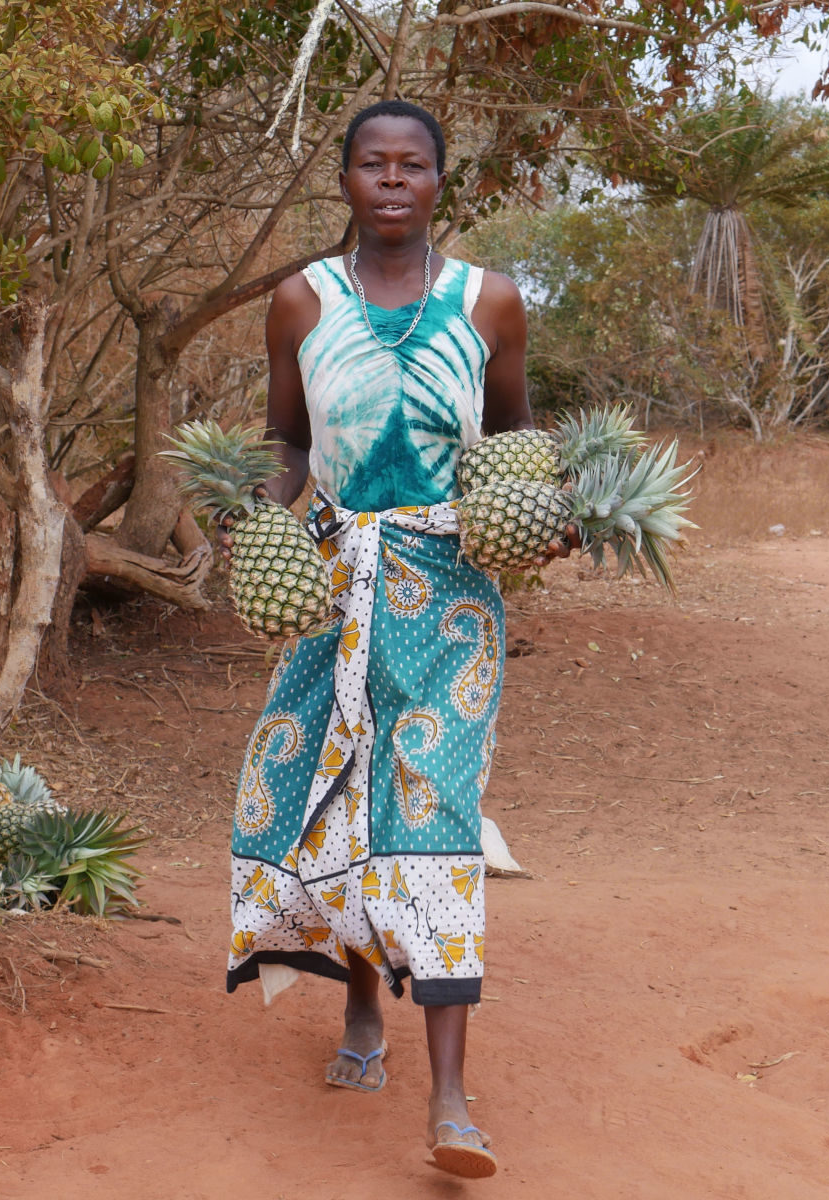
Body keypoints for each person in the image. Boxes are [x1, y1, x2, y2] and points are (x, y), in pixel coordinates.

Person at [220, 98, 577, 1180]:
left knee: (433, 805)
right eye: (371, 163)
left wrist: (548, 510)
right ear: (345, 180)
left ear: (437, 182)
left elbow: (515, 437)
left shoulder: (491, 302)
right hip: (329, 580)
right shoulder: (299, 300)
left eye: (410, 164)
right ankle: (361, 1015)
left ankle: (453, 1102)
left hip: (452, 591)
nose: (390, 179)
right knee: (335, 790)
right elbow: (286, 439)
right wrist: (253, 517)